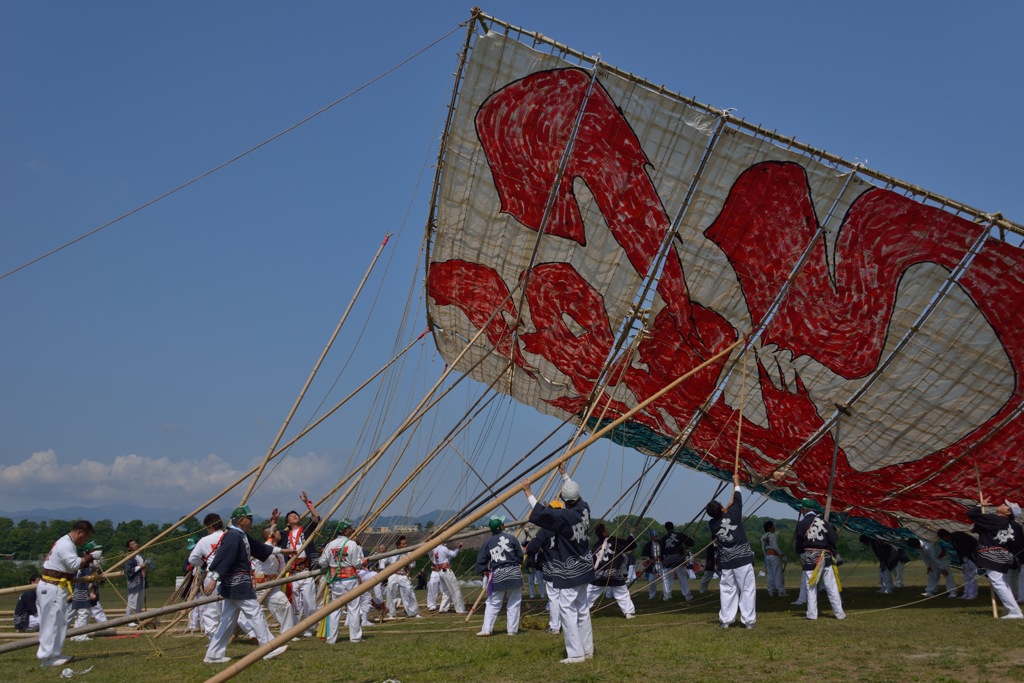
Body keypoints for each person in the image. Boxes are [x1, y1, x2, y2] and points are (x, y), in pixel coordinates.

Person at [522, 462, 595, 664]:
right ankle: (588, 650)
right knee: (582, 609)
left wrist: (528, 492)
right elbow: (574, 494)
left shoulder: (564, 517)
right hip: (585, 567)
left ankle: (576, 654)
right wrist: (564, 475)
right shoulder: (584, 509)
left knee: (567, 609)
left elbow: (541, 513)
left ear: (564, 500)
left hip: (571, 571)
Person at [202, 505, 289, 664]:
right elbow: (224, 557)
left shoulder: (240, 535)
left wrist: (283, 551)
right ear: (242, 520)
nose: (252, 521)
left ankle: (213, 654)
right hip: (238, 583)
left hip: (235, 584)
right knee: (255, 613)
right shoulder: (233, 536)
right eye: (250, 518)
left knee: (227, 621)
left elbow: (260, 548)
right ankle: (268, 647)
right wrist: (214, 578)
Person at [37, 520, 96, 667]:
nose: (85, 541)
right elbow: (74, 564)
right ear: (79, 533)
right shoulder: (66, 544)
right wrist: (88, 558)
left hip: (57, 586)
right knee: (51, 622)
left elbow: (70, 565)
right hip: (52, 586)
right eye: (85, 537)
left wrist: (85, 561)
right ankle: (47, 657)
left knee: (60, 621)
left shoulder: (66, 543)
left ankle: (55, 653)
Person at [706, 474, 756, 629]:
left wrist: (725, 509)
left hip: (727, 562)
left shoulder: (712, 525)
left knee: (728, 590)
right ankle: (748, 621)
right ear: (722, 509)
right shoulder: (733, 516)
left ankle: (726, 620)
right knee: (747, 589)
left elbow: (722, 517)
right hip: (742, 560)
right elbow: (739, 500)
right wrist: (736, 483)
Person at [967, 499, 1024, 619]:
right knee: (1001, 582)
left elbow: (971, 514)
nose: (1002, 504)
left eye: (1005, 505)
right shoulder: (1005, 523)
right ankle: (1015, 610)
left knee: (998, 582)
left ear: (1008, 512)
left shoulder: (997, 520)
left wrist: (979, 505)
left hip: (993, 555)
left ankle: (1015, 611)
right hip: (1003, 556)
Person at [279, 491, 323, 635]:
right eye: (291, 516)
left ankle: (310, 627)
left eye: (296, 514)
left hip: (305, 570)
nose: (295, 516)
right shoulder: (285, 535)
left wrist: (307, 503)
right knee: (294, 603)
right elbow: (271, 537)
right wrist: (273, 521)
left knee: (309, 601)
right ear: (287, 522)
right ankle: (296, 628)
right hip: (291, 572)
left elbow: (317, 518)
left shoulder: (306, 531)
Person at [794, 499, 845, 620]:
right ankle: (840, 614)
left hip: (810, 557)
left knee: (811, 586)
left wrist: (801, 553)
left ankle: (812, 614)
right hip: (825, 556)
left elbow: (799, 544)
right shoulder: (823, 521)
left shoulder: (802, 524)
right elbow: (833, 538)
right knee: (831, 585)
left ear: (804, 509)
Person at [475, 514, 525, 636]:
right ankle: (512, 631)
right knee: (514, 602)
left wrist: (487, 573)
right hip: (513, 572)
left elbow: (481, 562)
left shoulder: (487, 543)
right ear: (502, 526)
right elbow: (520, 557)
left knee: (493, 603)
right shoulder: (512, 538)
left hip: (497, 575)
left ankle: (487, 629)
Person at [318, 519, 364, 644]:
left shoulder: (331, 545)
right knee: (353, 608)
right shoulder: (352, 544)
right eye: (349, 527)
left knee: (335, 609)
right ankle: (355, 637)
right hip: (350, 579)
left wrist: (331, 564)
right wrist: (362, 561)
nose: (351, 529)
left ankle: (331, 638)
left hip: (336, 580)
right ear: (344, 530)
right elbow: (357, 564)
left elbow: (322, 562)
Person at [525, 501, 563, 634]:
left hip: (551, 567)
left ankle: (555, 626)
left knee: (554, 598)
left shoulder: (545, 530)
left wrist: (529, 553)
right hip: (566, 567)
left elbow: (532, 547)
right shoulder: (566, 527)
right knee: (567, 597)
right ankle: (568, 623)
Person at [253, 523, 297, 634]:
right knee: (249, 611)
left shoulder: (279, 552)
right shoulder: (263, 548)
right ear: (271, 534)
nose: (279, 533)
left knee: (286, 606)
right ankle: (250, 633)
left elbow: (281, 569)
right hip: (260, 586)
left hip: (274, 586)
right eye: (276, 531)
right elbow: (269, 548)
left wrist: (285, 569)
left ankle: (287, 633)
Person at [189, 513, 227, 639]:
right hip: (229, 575)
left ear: (209, 527)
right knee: (229, 607)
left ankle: (213, 638)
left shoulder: (204, 540)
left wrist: (204, 563)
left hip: (212, 576)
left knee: (211, 609)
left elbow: (193, 558)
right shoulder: (229, 537)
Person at [587, 524, 636, 618]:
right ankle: (628, 612)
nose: (608, 530)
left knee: (590, 594)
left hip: (599, 575)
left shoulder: (595, 546)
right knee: (622, 593)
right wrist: (631, 534)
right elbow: (628, 545)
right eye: (606, 529)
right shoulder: (614, 541)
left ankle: (581, 611)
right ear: (604, 532)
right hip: (614, 574)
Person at [70, 542, 108, 641]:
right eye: (93, 550)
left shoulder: (87, 563)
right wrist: (91, 591)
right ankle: (81, 635)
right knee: (84, 613)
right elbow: (88, 579)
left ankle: (75, 634)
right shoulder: (86, 564)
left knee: (82, 614)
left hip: (80, 589)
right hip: (83, 590)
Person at [382, 535, 422, 619]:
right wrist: (389, 567)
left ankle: (413, 612)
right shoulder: (392, 553)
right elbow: (382, 563)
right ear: (398, 545)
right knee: (390, 591)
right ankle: (391, 613)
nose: (405, 545)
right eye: (403, 544)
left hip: (403, 575)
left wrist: (408, 565)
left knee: (409, 591)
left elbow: (413, 564)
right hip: (393, 575)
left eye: (406, 543)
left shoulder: (409, 553)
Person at [938, 528, 978, 599]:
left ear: (945, 536)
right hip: (964, 559)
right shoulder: (954, 539)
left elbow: (965, 549)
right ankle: (966, 593)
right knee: (966, 576)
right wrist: (963, 562)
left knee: (971, 576)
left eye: (943, 538)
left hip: (970, 558)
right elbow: (959, 551)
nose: (944, 540)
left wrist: (966, 561)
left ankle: (972, 594)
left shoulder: (958, 536)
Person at [427, 541, 466, 613]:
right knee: (455, 589)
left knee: (446, 590)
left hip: (440, 571)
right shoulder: (443, 548)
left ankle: (443, 608)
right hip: (446, 570)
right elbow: (453, 554)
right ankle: (460, 609)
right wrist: (458, 547)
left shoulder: (435, 549)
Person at [660, 522, 695, 601]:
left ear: (666, 529)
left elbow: (661, 552)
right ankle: (687, 595)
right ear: (673, 527)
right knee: (682, 578)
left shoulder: (664, 538)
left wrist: (662, 561)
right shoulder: (680, 535)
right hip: (679, 559)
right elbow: (691, 543)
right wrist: (692, 538)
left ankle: (667, 596)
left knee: (667, 579)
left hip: (667, 560)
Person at [761, 521, 787, 597]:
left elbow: (763, 548)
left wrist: (765, 557)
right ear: (770, 528)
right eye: (773, 526)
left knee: (770, 574)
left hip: (767, 556)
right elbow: (775, 547)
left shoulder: (762, 537)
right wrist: (782, 556)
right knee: (778, 574)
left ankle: (771, 591)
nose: (774, 528)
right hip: (774, 556)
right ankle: (781, 591)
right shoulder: (773, 536)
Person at [124, 539, 146, 625]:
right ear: (129, 547)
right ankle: (129, 619)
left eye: (135, 543)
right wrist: (140, 567)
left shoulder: (139, 556)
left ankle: (136, 618)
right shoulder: (130, 557)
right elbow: (128, 570)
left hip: (141, 580)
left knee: (139, 601)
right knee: (132, 601)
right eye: (132, 544)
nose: (135, 545)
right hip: (134, 581)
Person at [640, 529, 664, 599]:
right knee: (651, 581)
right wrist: (649, 560)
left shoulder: (661, 543)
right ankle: (652, 595)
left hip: (661, 563)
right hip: (652, 565)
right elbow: (644, 555)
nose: (655, 538)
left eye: (656, 536)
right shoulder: (648, 545)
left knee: (664, 579)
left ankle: (666, 594)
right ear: (651, 537)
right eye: (654, 537)